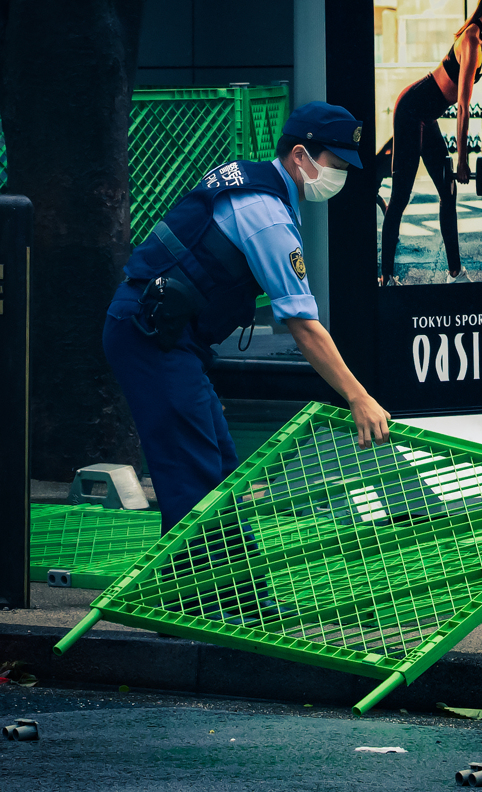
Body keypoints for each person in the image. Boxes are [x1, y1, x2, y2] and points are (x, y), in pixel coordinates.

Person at [103, 101, 391, 538]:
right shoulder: (267, 217)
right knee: (194, 478)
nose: (342, 176)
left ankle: (242, 595)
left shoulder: (250, 181)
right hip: (150, 336)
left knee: (219, 468)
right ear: (300, 156)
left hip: (166, 335)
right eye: (336, 164)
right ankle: (198, 600)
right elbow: (303, 325)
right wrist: (358, 397)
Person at [380, 0, 482, 286]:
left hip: (426, 115)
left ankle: (455, 274)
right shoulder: (473, 41)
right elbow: (463, 107)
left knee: (447, 191)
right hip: (410, 111)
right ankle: (384, 277)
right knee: (401, 195)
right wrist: (462, 158)